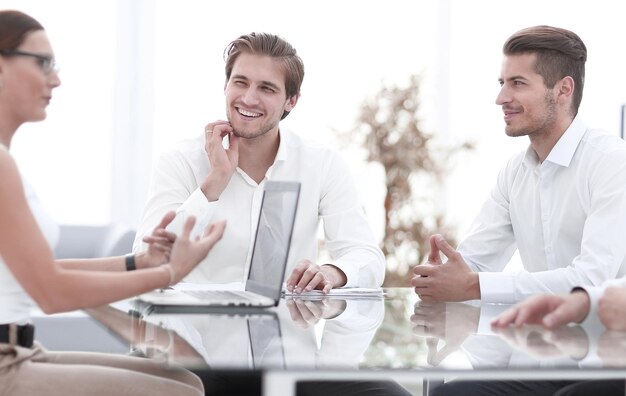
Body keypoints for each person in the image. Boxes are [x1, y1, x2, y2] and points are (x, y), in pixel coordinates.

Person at [0, 10, 226, 396]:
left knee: (185, 379)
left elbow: (40, 270)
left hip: (20, 350)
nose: (56, 78)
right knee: (182, 393)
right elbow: (51, 293)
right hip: (7, 365)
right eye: (43, 63)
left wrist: (137, 263)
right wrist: (169, 274)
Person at [133, 32, 385, 294]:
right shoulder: (180, 161)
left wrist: (331, 273)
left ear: (291, 100)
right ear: (226, 86)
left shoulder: (322, 164)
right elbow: (145, 261)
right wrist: (214, 182)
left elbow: (367, 258)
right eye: (240, 82)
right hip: (195, 330)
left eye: (266, 88)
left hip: (287, 329)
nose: (249, 98)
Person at [412, 25, 626, 304]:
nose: (501, 98)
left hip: (610, 341)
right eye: (502, 83)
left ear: (563, 90)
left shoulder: (612, 162)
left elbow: (592, 281)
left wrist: (473, 285)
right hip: (541, 337)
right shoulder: (515, 173)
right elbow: (474, 266)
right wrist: (442, 276)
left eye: (518, 83)